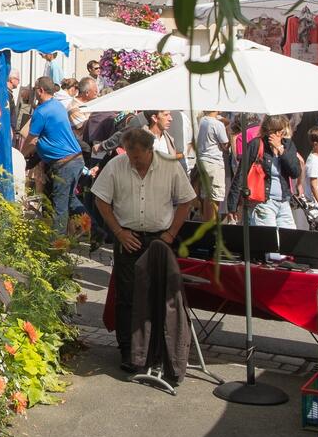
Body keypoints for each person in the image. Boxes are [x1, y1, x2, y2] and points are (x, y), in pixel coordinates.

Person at [91, 127, 197, 376]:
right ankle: (129, 351)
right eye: (130, 154)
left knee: (160, 296)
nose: (133, 161)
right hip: (128, 237)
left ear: (150, 150)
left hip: (159, 239)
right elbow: (101, 200)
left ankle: (155, 350)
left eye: (137, 156)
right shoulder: (117, 165)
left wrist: (170, 234)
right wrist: (118, 232)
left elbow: (186, 200)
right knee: (127, 296)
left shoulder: (169, 165)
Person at [23, 77, 87, 238]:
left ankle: (57, 244)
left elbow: (32, 140)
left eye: (35, 90)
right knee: (70, 198)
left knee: (60, 205)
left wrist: (20, 156)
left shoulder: (42, 111)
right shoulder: (57, 105)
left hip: (65, 163)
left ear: (40, 91)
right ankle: (95, 229)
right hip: (75, 159)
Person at [242, 115, 301, 228]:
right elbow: (242, 172)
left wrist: (281, 150)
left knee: (289, 236)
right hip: (263, 202)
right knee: (268, 237)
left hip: (283, 201)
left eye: (283, 131)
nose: (282, 134)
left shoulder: (287, 145)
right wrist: (233, 205)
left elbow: (295, 172)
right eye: (279, 131)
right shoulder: (257, 144)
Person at [194, 110, 229, 216]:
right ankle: (211, 223)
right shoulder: (217, 124)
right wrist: (228, 131)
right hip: (214, 162)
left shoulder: (202, 120)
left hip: (203, 160)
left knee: (207, 195)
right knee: (215, 196)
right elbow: (225, 145)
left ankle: (207, 221)